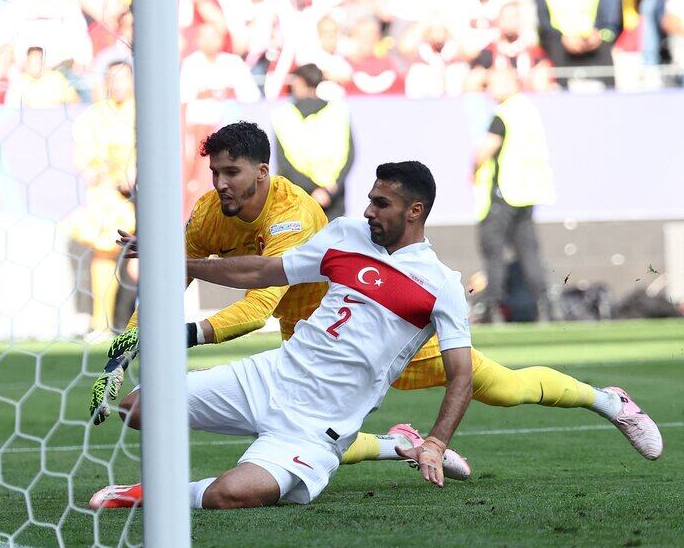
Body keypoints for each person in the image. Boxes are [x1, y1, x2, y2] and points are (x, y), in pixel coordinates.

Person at [90, 122, 663, 476]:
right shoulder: (216, 211)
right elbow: (173, 279)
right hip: (315, 344)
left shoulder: (296, 218)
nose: (218, 184)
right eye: (213, 172)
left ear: (262, 172)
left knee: (504, 387)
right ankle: (397, 446)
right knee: (315, 433)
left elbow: (260, 295)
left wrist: (186, 334)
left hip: (390, 336)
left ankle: (608, 401)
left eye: (230, 172)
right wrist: (122, 353)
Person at [91, 160, 475, 510]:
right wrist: (175, 259)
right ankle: (396, 444)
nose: (368, 211)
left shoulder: (441, 286)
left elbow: (461, 375)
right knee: (137, 408)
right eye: (370, 200)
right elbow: (260, 272)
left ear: (415, 211)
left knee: (231, 494)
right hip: (272, 376)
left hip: (317, 422)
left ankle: (150, 496)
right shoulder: (345, 236)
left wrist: (437, 443)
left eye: (381, 204)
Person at [472, 67, 557, 324]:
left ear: (509, 83)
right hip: (528, 192)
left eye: (493, 84)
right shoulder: (529, 111)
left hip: (503, 192)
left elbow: (486, 150)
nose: (489, 90)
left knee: (493, 252)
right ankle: (548, 306)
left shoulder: (503, 114)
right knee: (529, 252)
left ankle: (492, 309)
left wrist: (473, 167)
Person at [63, 60, 136, 338]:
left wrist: (136, 174)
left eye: (124, 79)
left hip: (147, 197)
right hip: (109, 199)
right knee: (105, 256)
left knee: (140, 262)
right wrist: (105, 174)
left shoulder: (144, 114)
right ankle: (102, 323)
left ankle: (131, 324)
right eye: (113, 79)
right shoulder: (94, 117)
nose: (118, 85)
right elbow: (84, 160)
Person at [272, 64, 355, 221]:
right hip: (333, 197)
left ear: (300, 82)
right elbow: (350, 156)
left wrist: (311, 191)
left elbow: (284, 164)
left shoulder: (283, 115)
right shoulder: (338, 111)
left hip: (299, 199)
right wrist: (329, 190)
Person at [536, 0, 623, 88]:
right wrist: (563, 38)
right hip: (559, 41)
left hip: (592, 40)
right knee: (555, 52)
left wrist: (597, 35)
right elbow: (543, 21)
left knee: (605, 53)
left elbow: (609, 23)